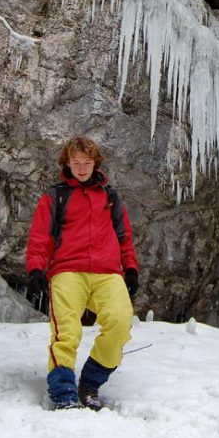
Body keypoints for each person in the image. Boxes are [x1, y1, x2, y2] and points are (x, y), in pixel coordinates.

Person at [26, 136, 140, 410]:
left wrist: (131, 268)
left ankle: (90, 383)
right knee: (66, 331)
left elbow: (124, 236)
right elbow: (40, 236)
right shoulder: (55, 196)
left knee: (120, 323)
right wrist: (35, 269)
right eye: (75, 163)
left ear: (95, 163)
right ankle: (63, 391)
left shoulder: (110, 197)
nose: (81, 168)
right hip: (68, 270)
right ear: (67, 163)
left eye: (86, 163)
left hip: (107, 272)